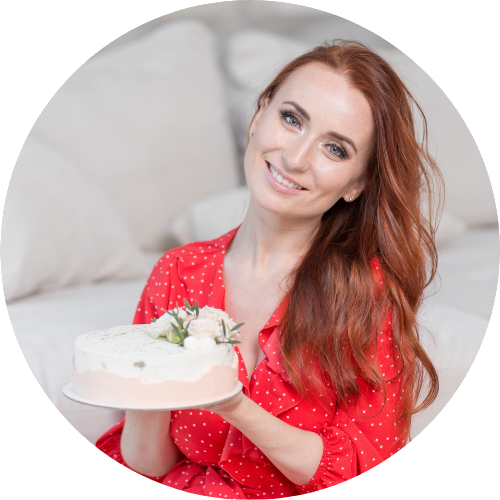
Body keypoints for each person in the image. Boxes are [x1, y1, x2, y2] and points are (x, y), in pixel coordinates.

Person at [96, 40, 442, 497]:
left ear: (357, 183)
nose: (295, 158)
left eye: (334, 149)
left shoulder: (367, 295)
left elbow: (359, 467)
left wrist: (233, 405)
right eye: (292, 119)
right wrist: (148, 373)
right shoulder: (178, 271)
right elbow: (147, 462)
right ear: (258, 116)